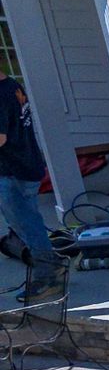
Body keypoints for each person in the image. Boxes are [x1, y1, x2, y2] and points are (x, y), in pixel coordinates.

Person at [0, 69, 62, 305]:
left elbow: (1, 138)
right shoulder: (11, 85)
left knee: (27, 225)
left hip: (13, 172)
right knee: (26, 222)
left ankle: (49, 277)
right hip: (26, 166)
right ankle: (50, 266)